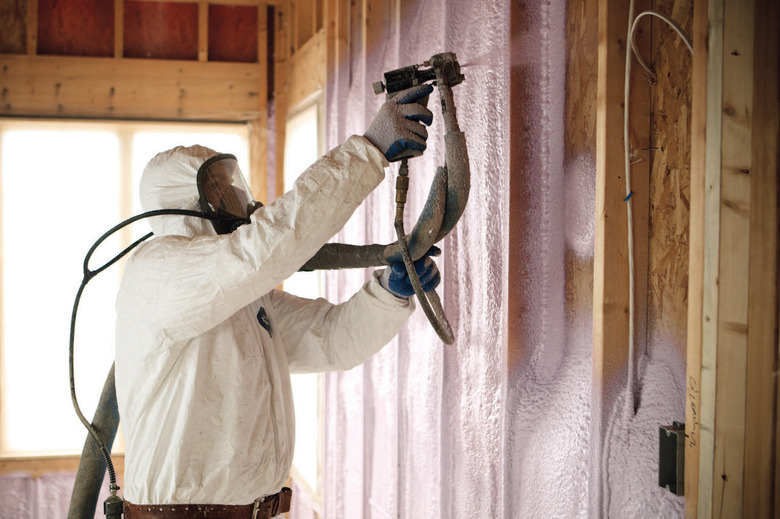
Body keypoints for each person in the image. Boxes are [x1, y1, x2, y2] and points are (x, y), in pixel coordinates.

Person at [114, 84, 441, 518]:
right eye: (220, 188)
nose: (238, 197)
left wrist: (389, 292)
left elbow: (329, 339)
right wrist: (368, 151)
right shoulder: (161, 269)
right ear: (189, 203)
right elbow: (266, 246)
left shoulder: (241, 294)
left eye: (231, 182)